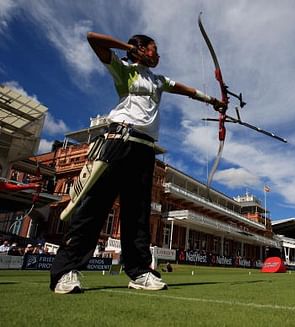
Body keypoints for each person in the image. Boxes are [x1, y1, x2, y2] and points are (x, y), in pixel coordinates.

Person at [49, 31, 225, 294]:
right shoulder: (123, 70)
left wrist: (212, 101)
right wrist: (128, 48)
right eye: (154, 49)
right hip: (118, 140)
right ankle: (65, 271)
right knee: (95, 207)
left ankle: (140, 271)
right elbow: (92, 38)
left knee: (138, 213)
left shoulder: (158, 80)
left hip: (144, 150)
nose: (159, 54)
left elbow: (185, 90)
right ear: (140, 49)